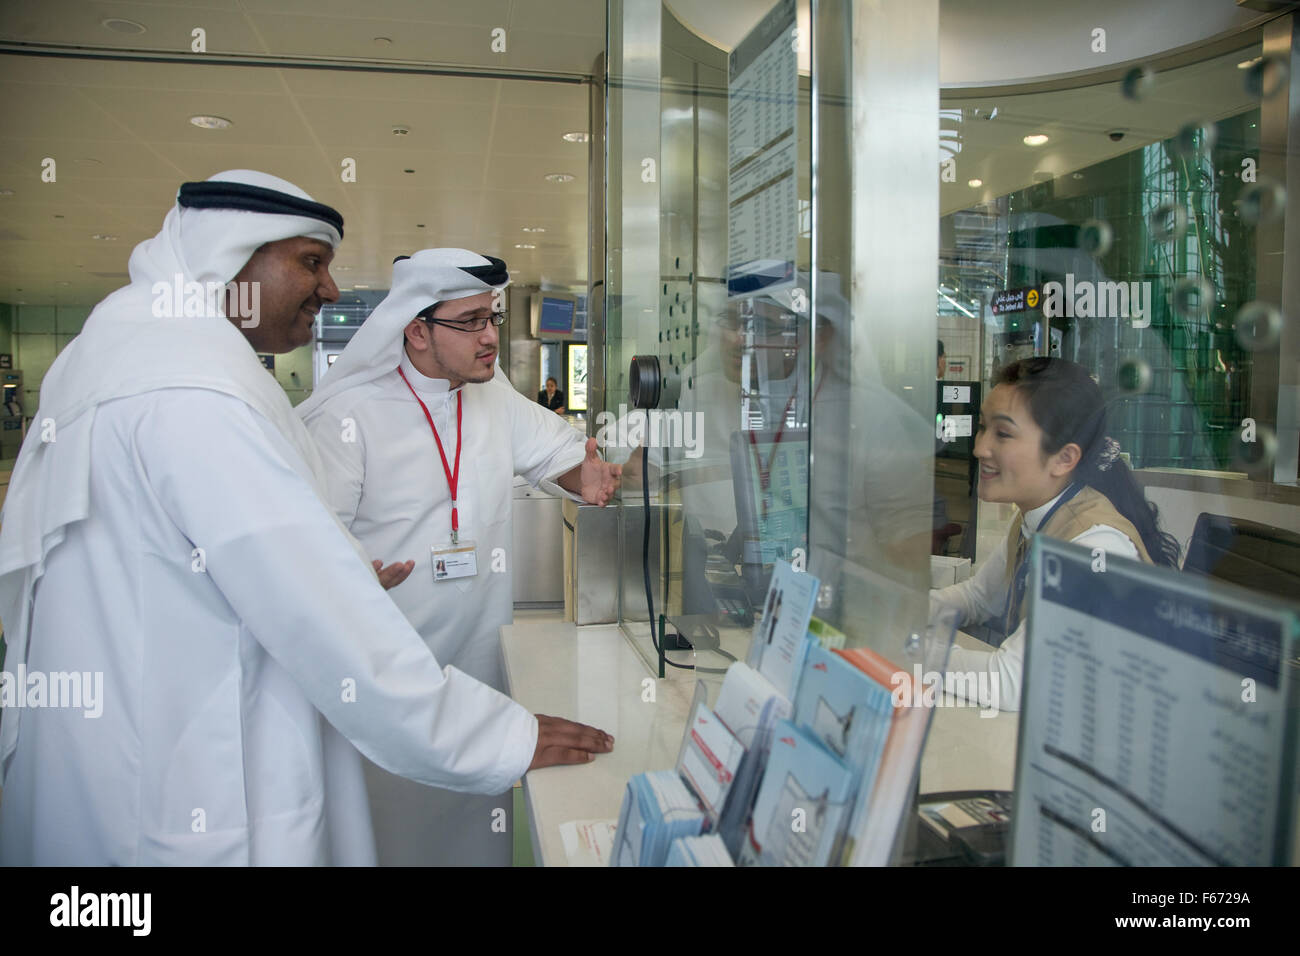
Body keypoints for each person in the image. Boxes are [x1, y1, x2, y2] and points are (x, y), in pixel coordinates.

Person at [0, 171, 612, 866]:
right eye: (310, 263)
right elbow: (312, 602)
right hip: (184, 772)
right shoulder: (194, 391)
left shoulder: (130, 354)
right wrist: (497, 738)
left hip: (126, 751)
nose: (329, 289)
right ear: (232, 260)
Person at [298, 247, 621, 865]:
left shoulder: (492, 399)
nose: (490, 336)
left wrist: (607, 475)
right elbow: (310, 550)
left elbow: (569, 461)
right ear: (416, 330)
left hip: (479, 681)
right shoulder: (348, 418)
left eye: (493, 318)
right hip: (389, 690)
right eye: (470, 321)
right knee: (393, 835)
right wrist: (350, 573)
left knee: (478, 838)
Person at [931, 357, 1180, 712]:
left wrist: (910, 645)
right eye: (983, 428)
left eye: (1002, 433)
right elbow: (978, 598)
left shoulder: (1097, 547)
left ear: (1064, 458)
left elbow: (1011, 682)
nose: (980, 447)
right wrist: (900, 611)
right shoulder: (1035, 518)